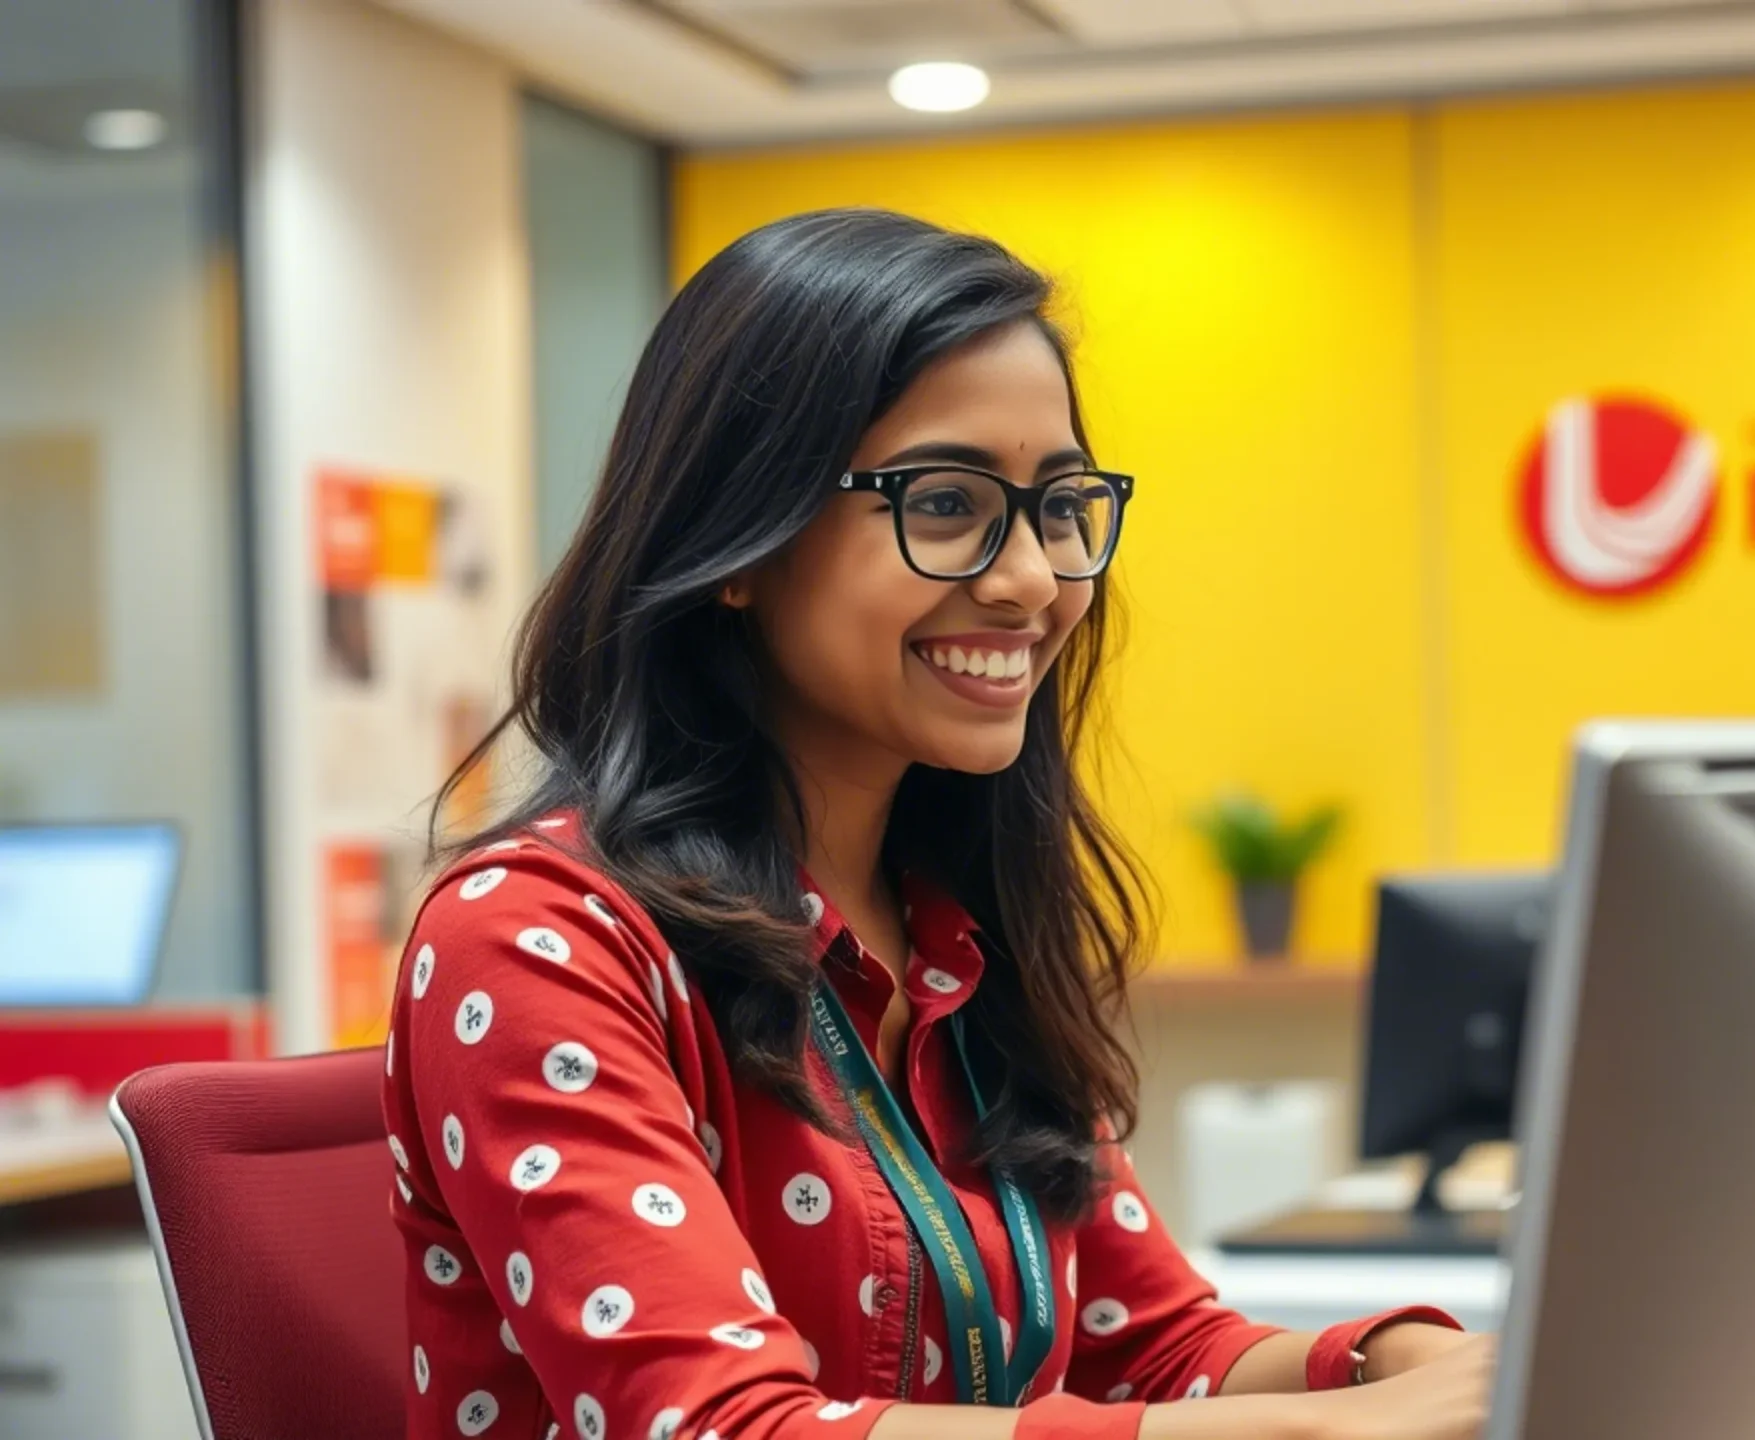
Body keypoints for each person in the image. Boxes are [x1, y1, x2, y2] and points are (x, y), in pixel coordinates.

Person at [384, 209, 1493, 1440]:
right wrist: (1315, 1431)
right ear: (736, 545)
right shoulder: (537, 939)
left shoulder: (957, 927)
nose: (1032, 578)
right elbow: (719, 1430)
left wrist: (1389, 1364)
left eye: (1062, 505)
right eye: (949, 502)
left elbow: (1153, 1348)